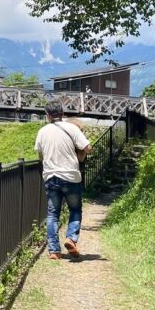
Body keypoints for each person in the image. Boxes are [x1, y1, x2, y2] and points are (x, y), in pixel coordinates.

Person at [35, 101, 92, 259]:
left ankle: (54, 251)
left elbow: (40, 155)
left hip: (51, 177)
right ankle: (71, 239)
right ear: (62, 113)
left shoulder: (42, 131)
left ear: (48, 115)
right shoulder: (72, 128)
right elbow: (88, 148)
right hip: (70, 176)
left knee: (53, 214)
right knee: (75, 210)